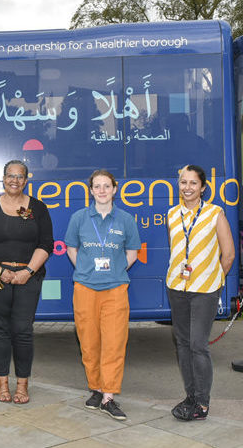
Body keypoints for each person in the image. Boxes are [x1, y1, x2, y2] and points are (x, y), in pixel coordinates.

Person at [0, 160, 52, 404]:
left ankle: (23, 387)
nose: (14, 180)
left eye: (19, 176)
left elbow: (46, 244)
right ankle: (3, 385)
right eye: (10, 176)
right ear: (3, 178)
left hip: (29, 277)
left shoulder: (38, 208)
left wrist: (27, 270)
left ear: (26, 181)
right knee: (1, 331)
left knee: (23, 331)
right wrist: (0, 272)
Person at [65, 169, 141, 421]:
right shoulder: (79, 218)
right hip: (85, 288)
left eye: (106, 186)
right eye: (96, 186)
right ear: (91, 190)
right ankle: (95, 388)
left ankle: (109, 396)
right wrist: (85, 270)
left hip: (116, 288)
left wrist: (116, 271)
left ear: (114, 189)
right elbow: (71, 248)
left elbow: (132, 252)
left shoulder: (126, 220)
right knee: (88, 342)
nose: (101, 190)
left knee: (114, 341)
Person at [165, 165, 235, 421]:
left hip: (205, 290)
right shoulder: (172, 214)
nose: (187, 188)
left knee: (197, 345)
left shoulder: (216, 213)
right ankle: (191, 396)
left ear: (203, 187)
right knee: (182, 344)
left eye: (193, 183)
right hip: (176, 285)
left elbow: (228, 255)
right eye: (183, 182)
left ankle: (202, 403)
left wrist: (213, 279)